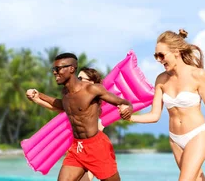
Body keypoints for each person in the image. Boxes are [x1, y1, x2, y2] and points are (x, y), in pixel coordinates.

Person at [126, 29, 205, 181]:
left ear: (176, 51)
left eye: (161, 55)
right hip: (175, 139)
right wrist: (129, 118)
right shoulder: (161, 79)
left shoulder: (198, 75)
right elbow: (154, 115)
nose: (159, 60)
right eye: (156, 56)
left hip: (197, 135)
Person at [25, 53, 133, 181]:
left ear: (71, 69)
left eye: (58, 69)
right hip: (78, 147)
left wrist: (128, 109)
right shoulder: (65, 93)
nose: (55, 72)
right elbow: (62, 105)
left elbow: (124, 103)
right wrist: (40, 95)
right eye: (53, 69)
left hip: (97, 147)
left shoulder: (92, 90)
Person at [30, 66, 104, 181]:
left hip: (88, 157)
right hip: (76, 155)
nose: (77, 81)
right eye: (78, 78)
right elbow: (58, 107)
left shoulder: (92, 106)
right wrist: (38, 99)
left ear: (92, 83)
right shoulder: (75, 100)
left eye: (81, 78)